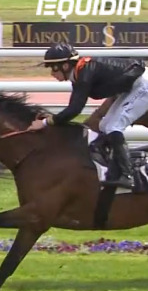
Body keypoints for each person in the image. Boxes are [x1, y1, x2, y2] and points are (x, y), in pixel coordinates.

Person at [27, 41, 148, 189]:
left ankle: (127, 176)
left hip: (142, 86)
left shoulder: (84, 74)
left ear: (65, 66)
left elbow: (74, 110)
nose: (52, 73)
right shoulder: (80, 73)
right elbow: (73, 107)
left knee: (113, 127)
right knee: (104, 125)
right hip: (133, 87)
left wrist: (46, 122)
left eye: (53, 68)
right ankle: (112, 166)